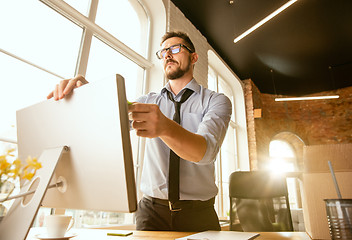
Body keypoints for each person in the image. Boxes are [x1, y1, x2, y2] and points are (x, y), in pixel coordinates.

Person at [47, 31, 232, 232]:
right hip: (151, 213)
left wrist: (164, 126)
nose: (168, 54)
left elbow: (204, 152)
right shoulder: (146, 102)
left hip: (199, 214)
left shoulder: (216, 101)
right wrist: (86, 93)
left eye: (175, 48)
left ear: (194, 57)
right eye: (163, 52)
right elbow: (108, 119)